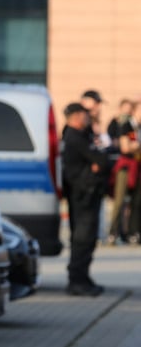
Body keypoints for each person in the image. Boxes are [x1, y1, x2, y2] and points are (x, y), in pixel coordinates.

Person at [61, 102, 108, 296]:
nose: (88, 118)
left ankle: (83, 278)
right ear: (77, 116)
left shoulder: (80, 135)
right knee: (83, 238)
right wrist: (96, 163)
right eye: (85, 115)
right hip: (83, 194)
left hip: (85, 192)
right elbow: (102, 161)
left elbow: (100, 161)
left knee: (87, 239)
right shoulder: (74, 137)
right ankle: (77, 281)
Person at [106, 98, 139, 243]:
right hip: (126, 166)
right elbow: (127, 147)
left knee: (136, 201)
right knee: (119, 201)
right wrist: (136, 146)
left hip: (137, 165)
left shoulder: (135, 127)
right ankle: (113, 233)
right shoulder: (128, 126)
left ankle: (132, 232)